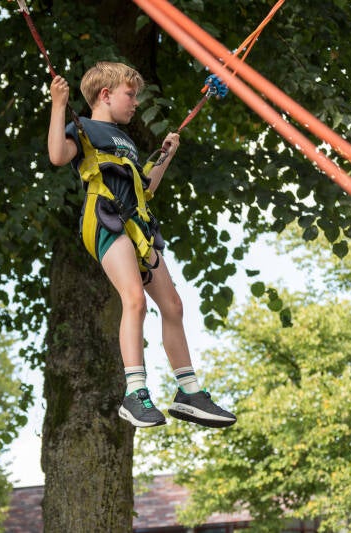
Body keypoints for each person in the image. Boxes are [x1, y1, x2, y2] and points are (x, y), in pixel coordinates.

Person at [47, 61, 236, 429]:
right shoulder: (82, 127)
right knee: (134, 299)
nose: (135, 103)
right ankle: (135, 393)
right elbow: (58, 155)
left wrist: (165, 156)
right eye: (130, 95)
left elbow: (144, 188)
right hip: (105, 217)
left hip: (136, 223)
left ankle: (189, 393)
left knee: (173, 305)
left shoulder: (126, 141)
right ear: (105, 95)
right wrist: (58, 105)